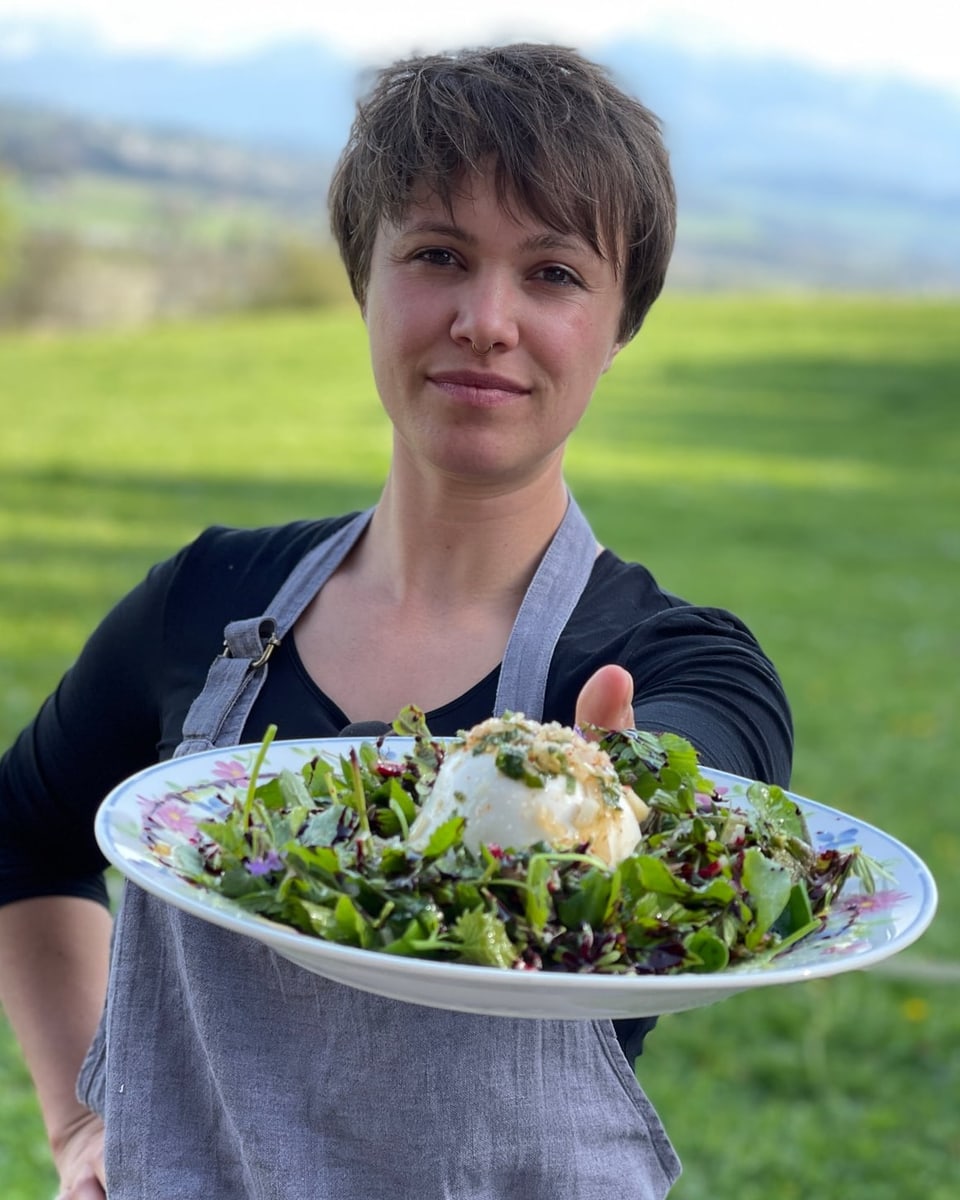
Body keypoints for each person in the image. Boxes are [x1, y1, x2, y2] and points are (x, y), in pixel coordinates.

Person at [0, 43, 792, 1199]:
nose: (485, 318)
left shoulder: (682, 661)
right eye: (438, 255)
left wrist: (623, 795)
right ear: (363, 279)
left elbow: (709, 767)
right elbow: (26, 826)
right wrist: (80, 1123)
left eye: (555, 275)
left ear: (622, 325)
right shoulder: (210, 602)